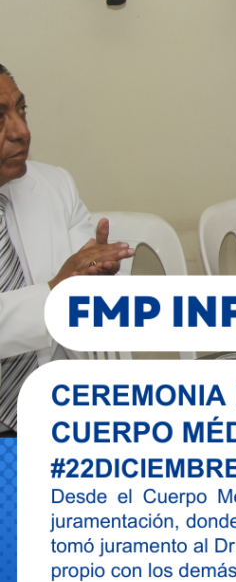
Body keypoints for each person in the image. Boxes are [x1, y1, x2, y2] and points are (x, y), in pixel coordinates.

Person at [0, 65, 134, 431]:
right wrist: (54, 293)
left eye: (22, 110)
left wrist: (100, 280)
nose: (22, 131)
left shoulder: (54, 185)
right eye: (0, 117)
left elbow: (90, 291)